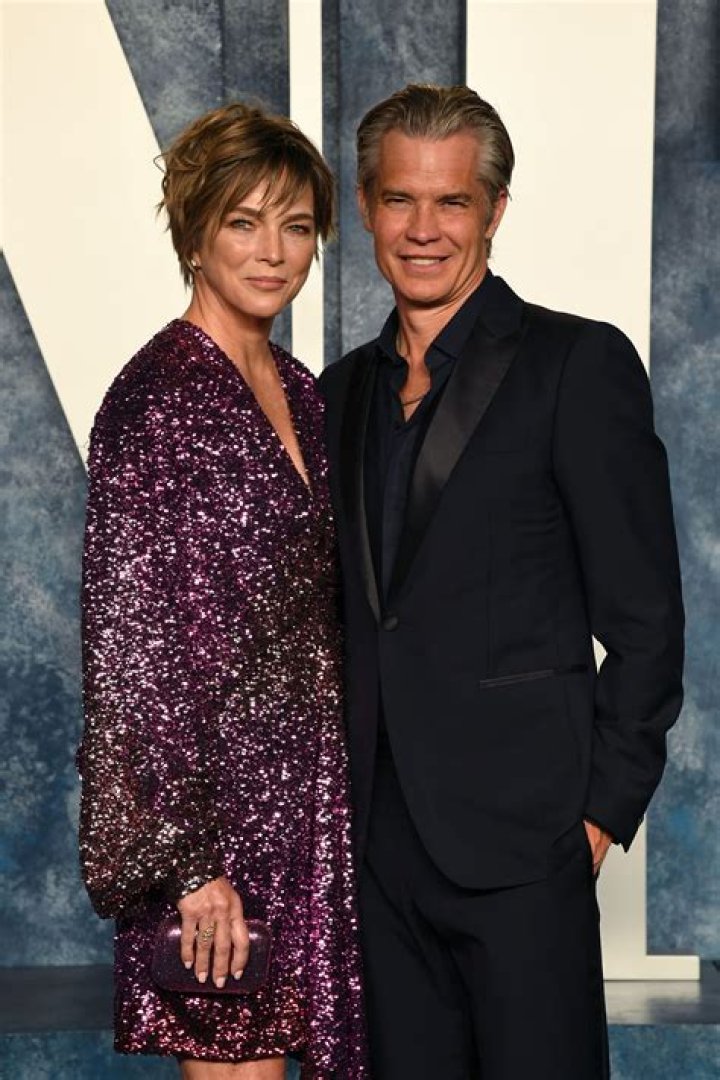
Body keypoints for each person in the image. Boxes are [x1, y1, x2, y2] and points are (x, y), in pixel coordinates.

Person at [318, 84, 684, 1080]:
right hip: (376, 853)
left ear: (495, 210)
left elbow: (646, 619)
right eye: (401, 199)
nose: (423, 229)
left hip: (527, 845)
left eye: (453, 202)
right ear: (365, 207)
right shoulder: (338, 393)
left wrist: (599, 815)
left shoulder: (577, 364)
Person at [77, 102, 367, 1079]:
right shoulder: (155, 398)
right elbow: (131, 649)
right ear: (194, 232)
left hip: (311, 806)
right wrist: (189, 864)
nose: (274, 251)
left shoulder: (300, 386)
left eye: (297, 225)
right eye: (244, 222)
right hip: (212, 829)